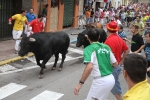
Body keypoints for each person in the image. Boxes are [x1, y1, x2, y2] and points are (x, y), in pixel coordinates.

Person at [74, 28, 118, 100]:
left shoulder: (88, 49)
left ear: (87, 37)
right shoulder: (106, 47)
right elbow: (115, 64)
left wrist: (80, 83)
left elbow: (89, 66)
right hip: (111, 79)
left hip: (100, 82)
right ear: (99, 37)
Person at [104, 21, 129, 100]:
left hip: (111, 68)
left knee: (114, 88)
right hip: (117, 66)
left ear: (107, 29)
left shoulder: (109, 41)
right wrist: (122, 60)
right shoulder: (119, 39)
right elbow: (127, 50)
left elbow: (109, 56)